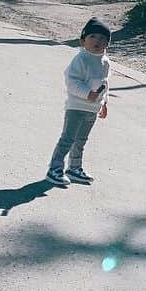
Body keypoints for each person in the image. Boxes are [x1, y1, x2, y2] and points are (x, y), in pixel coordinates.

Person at [46, 17, 111, 187]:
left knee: (81, 140)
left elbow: (104, 83)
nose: (97, 41)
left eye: (102, 38)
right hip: (76, 106)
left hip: (92, 109)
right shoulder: (81, 59)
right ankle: (55, 169)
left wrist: (103, 102)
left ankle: (74, 168)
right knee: (68, 138)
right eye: (92, 37)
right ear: (83, 41)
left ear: (107, 44)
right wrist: (87, 93)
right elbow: (72, 81)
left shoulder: (105, 62)